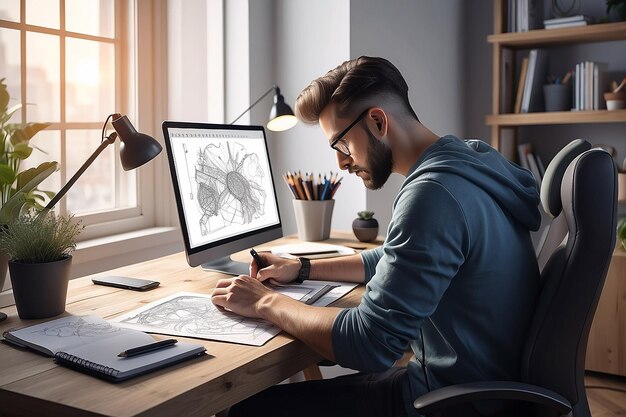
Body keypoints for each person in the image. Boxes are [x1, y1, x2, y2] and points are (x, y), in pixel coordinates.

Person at [211, 56, 541, 417]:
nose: (341, 162)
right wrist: (302, 268)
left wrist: (264, 302)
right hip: (485, 386)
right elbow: (393, 258)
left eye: (342, 145)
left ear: (377, 121)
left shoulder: (433, 195)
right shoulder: (469, 161)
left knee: (241, 409)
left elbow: (371, 344)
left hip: (455, 402)